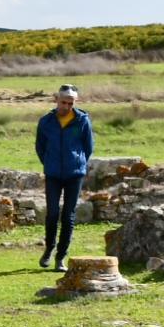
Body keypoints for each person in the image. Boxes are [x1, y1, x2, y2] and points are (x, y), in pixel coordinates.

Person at [35, 83, 93, 271]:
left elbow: (87, 146)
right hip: (52, 173)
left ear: (75, 102)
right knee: (52, 213)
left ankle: (61, 256)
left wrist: (78, 162)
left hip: (74, 174)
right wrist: (49, 162)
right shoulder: (45, 121)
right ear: (56, 99)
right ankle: (49, 247)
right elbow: (40, 146)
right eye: (63, 102)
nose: (66, 106)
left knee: (68, 216)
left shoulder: (82, 121)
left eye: (70, 103)